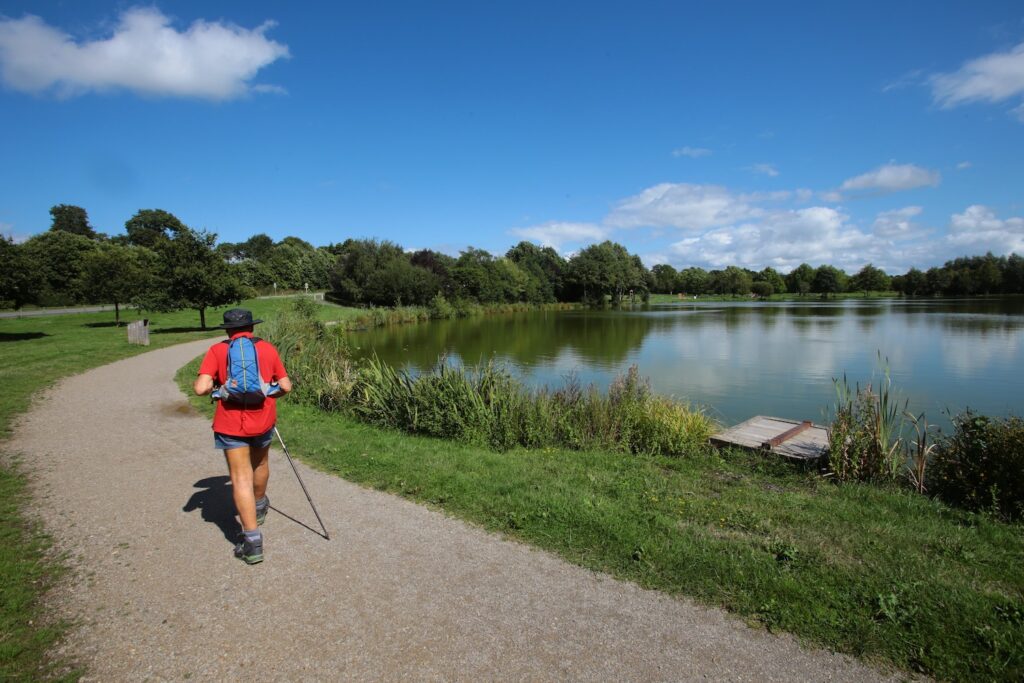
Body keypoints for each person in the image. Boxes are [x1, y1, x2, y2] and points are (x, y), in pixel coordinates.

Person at [194, 308, 292, 564]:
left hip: (230, 424)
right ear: (252, 328)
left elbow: (201, 388)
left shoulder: (218, 351)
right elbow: (286, 386)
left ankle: (252, 542)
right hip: (263, 420)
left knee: (240, 478)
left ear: (227, 330)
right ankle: (259, 506)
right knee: (260, 463)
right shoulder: (267, 349)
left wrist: (219, 390)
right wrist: (269, 395)